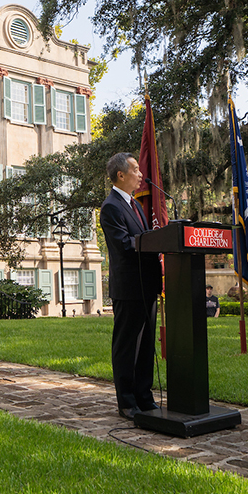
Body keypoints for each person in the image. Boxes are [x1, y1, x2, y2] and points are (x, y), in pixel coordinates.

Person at [99, 152, 163, 421]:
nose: (141, 175)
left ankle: (144, 396)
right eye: (135, 170)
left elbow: (142, 238)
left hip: (147, 285)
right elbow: (124, 245)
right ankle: (126, 401)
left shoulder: (136, 206)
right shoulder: (111, 206)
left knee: (147, 344)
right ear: (120, 175)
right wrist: (151, 243)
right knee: (128, 345)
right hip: (128, 287)